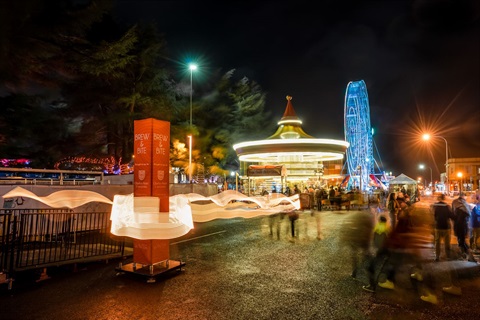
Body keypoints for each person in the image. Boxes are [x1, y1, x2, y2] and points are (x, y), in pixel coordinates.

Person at [452, 193, 476, 262]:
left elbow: (453, 214)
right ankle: (466, 254)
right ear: (463, 197)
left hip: (458, 225)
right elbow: (469, 215)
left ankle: (466, 254)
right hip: (463, 225)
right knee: (462, 240)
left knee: (461, 240)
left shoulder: (455, 203)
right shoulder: (465, 205)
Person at [431, 193, 455, 261]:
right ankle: (448, 256)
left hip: (438, 226)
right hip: (446, 227)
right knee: (447, 243)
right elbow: (451, 216)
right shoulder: (447, 206)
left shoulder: (435, 206)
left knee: (437, 243)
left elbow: (434, 216)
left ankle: (437, 256)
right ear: (444, 198)